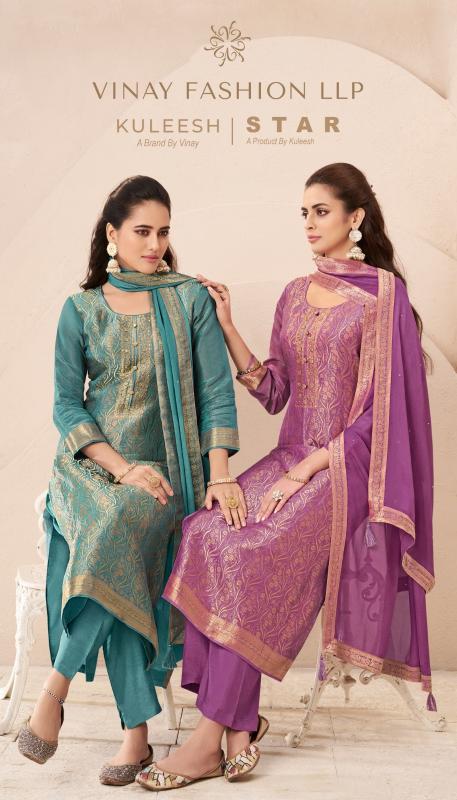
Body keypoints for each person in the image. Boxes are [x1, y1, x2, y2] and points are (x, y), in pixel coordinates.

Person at [135, 162, 435, 791]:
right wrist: (227, 326)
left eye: (321, 211)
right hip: (288, 457)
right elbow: (276, 392)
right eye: (304, 213)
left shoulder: (384, 299)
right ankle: (239, 725)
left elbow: (381, 421)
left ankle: (208, 738)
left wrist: (305, 471)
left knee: (253, 554)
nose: (309, 224)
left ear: (355, 217)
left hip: (342, 474)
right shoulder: (296, 293)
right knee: (205, 531)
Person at [17, 175, 240, 786]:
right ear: (112, 234)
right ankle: (133, 736)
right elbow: (67, 405)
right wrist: (119, 467)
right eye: (142, 231)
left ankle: (56, 690)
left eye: (164, 232)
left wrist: (220, 475)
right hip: (89, 467)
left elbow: (216, 393)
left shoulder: (188, 300)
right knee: (113, 526)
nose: (155, 244)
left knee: (116, 532)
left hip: (166, 473)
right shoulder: (82, 308)